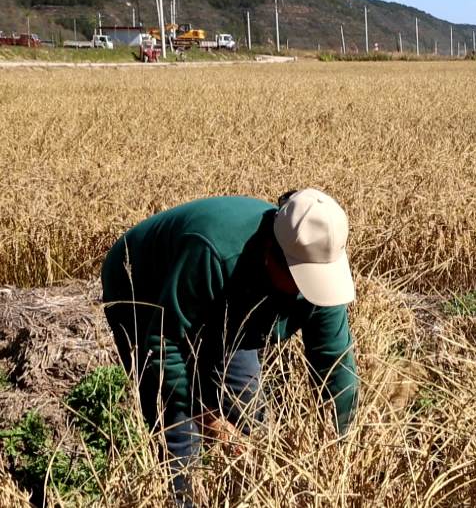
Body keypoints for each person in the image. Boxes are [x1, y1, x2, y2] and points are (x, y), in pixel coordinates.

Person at [101, 189, 358, 499]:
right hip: (143, 285)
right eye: (302, 280)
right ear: (270, 253)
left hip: (230, 300)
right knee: (180, 430)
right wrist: (210, 420)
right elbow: (165, 344)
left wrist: (339, 452)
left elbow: (336, 367)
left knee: (248, 413)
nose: (310, 291)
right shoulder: (215, 251)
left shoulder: (321, 271)